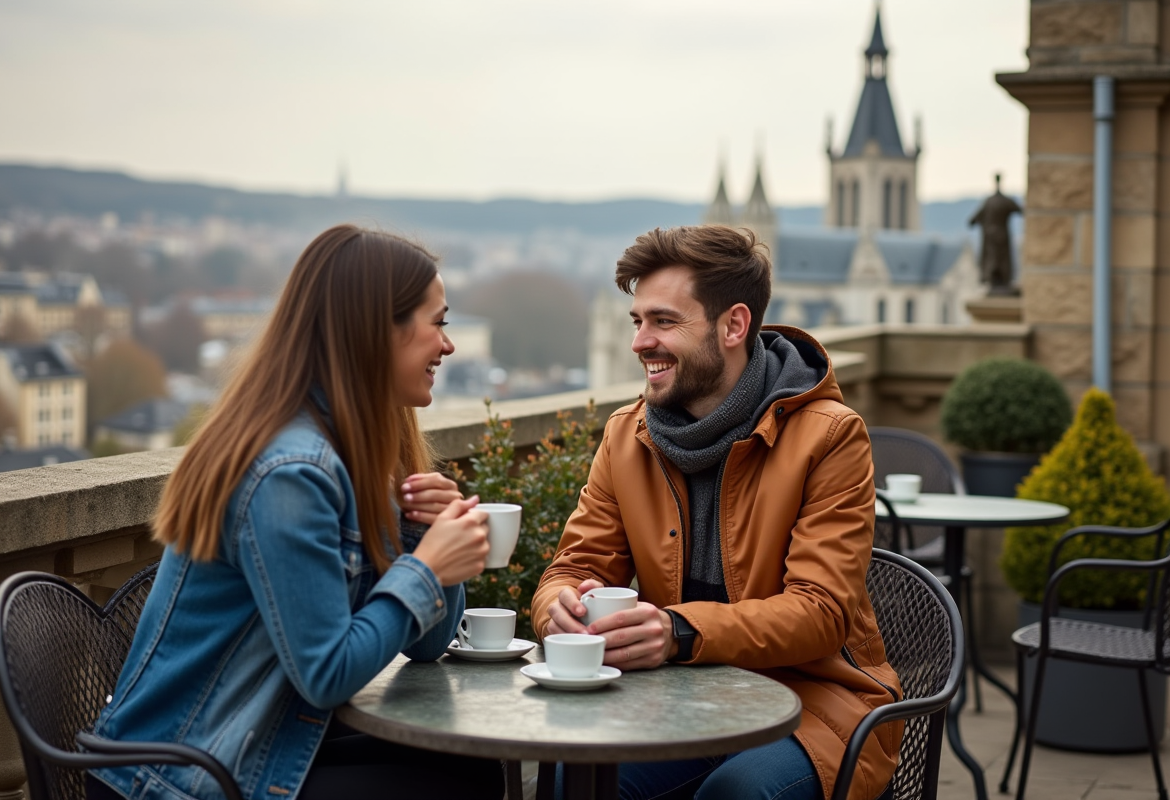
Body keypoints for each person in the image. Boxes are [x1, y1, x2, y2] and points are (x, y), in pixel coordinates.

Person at [89, 226, 505, 800]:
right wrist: (427, 571)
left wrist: (422, 535)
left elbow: (426, 648)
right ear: (374, 331)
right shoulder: (292, 474)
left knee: (471, 766)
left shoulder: (353, 455)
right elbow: (326, 672)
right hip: (177, 776)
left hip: (250, 741)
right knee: (452, 784)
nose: (448, 345)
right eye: (439, 323)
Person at [531, 226, 902, 800]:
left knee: (737, 794)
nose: (640, 342)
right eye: (637, 321)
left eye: (664, 321)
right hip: (682, 702)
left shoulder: (831, 437)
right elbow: (574, 565)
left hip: (814, 705)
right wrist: (558, 610)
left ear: (733, 326)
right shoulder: (625, 435)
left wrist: (678, 631)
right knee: (569, 779)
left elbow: (821, 612)